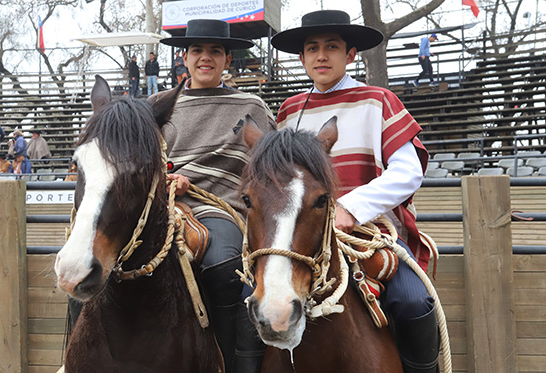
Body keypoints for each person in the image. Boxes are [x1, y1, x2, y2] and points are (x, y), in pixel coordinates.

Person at [272, 10, 437, 373]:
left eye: (332, 47)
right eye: (312, 48)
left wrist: (350, 207)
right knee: (246, 299)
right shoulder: (287, 112)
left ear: (350, 55)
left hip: (371, 231)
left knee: (414, 303)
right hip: (302, 234)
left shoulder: (379, 100)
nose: (321, 56)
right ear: (301, 58)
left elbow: (408, 172)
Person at [155, 19, 276, 373]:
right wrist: (162, 179)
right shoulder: (158, 104)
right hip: (159, 208)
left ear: (228, 60)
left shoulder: (251, 106)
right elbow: (137, 162)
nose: (205, 58)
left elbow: (266, 170)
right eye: (197, 51)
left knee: (225, 268)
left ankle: (226, 361)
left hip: (221, 209)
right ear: (184, 57)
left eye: (215, 51)